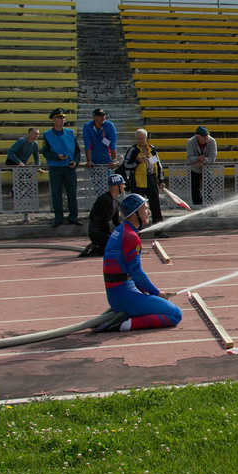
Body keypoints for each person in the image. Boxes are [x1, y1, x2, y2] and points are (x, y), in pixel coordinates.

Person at [96, 193, 183, 332]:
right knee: (175, 314)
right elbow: (135, 272)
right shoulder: (130, 236)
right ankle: (122, 324)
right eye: (145, 209)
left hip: (119, 294)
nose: (148, 212)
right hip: (124, 297)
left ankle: (124, 319)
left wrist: (146, 293)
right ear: (134, 213)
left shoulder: (122, 230)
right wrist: (156, 293)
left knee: (159, 306)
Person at [122, 128, 169, 238]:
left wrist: (161, 180)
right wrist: (137, 162)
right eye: (138, 139)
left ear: (146, 138)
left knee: (155, 206)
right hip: (138, 181)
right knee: (137, 207)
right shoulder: (132, 150)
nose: (141, 141)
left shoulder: (151, 149)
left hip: (151, 179)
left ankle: (159, 231)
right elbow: (126, 165)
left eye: (142, 138)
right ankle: (136, 231)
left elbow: (158, 165)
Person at [41, 107, 81, 227]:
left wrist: (75, 162)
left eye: (63, 117)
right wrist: (57, 156)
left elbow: (77, 151)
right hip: (56, 168)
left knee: (72, 193)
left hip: (69, 167)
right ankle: (58, 218)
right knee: (56, 194)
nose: (62, 120)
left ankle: (73, 217)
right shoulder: (47, 135)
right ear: (54, 119)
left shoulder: (70, 133)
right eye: (59, 118)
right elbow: (45, 152)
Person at [79, 173, 126, 257]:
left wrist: (126, 229)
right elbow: (103, 221)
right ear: (115, 186)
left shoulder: (115, 202)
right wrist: (111, 236)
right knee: (116, 246)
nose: (124, 186)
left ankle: (101, 245)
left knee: (120, 243)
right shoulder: (105, 199)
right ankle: (94, 249)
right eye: (122, 184)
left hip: (103, 232)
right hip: (96, 233)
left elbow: (116, 221)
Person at [185, 125, 217, 206]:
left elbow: (213, 158)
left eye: (207, 135)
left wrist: (203, 161)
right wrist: (197, 159)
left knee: (208, 188)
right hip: (194, 168)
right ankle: (197, 206)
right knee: (195, 188)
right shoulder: (190, 142)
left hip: (207, 169)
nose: (206, 137)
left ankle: (209, 205)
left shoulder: (212, 141)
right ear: (198, 136)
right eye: (204, 136)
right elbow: (189, 158)